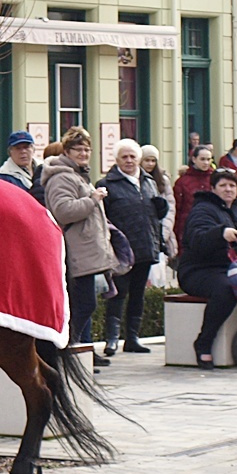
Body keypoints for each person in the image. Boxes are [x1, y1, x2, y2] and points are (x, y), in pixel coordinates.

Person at [41, 127, 117, 368]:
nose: (84, 153)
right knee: (82, 304)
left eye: (87, 149)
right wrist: (92, 200)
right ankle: (61, 350)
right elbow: (62, 211)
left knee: (84, 304)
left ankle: (69, 350)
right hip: (74, 254)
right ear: (67, 151)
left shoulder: (78, 175)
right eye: (78, 149)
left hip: (85, 254)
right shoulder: (62, 177)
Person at [97, 140, 168, 356]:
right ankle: (111, 339)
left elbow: (155, 214)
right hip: (121, 249)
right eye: (124, 157)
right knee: (118, 294)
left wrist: (160, 210)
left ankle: (133, 338)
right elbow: (103, 218)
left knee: (138, 294)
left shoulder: (148, 182)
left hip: (145, 246)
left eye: (132, 157)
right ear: (117, 160)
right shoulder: (107, 183)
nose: (129, 161)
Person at [177, 169, 237, 370]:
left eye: (232, 186)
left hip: (228, 268)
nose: (228, 189)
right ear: (213, 189)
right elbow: (197, 240)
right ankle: (204, 343)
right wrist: (221, 233)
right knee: (226, 289)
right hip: (197, 270)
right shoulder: (203, 209)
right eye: (223, 185)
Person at [140, 145, 178, 283]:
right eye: (147, 160)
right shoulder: (136, 180)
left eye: (153, 160)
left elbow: (171, 206)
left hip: (161, 232)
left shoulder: (163, 180)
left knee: (158, 275)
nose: (150, 164)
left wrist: (165, 231)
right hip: (144, 232)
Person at [173, 145, 214, 253]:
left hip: (211, 225)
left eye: (208, 159)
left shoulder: (215, 179)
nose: (206, 163)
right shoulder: (182, 182)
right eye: (202, 159)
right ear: (194, 159)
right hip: (187, 227)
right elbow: (177, 209)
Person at [0, 130, 39, 195]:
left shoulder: (43, 169)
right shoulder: (4, 176)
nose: (23, 151)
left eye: (26, 147)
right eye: (18, 148)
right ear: (10, 152)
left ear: (33, 149)